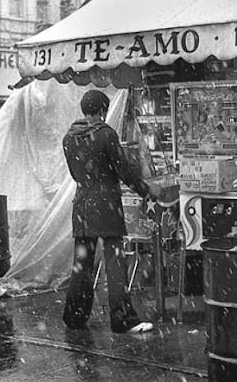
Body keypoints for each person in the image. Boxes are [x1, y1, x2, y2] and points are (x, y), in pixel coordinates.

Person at [62, 89, 163, 333]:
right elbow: (123, 169)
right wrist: (146, 190)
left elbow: (76, 173)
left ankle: (75, 316)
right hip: (106, 204)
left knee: (82, 263)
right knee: (115, 262)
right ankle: (123, 319)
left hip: (82, 204)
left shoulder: (69, 137)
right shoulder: (105, 134)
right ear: (102, 110)